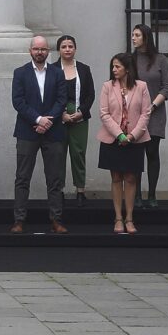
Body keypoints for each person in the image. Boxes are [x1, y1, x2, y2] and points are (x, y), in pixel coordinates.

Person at [10, 35, 68, 235]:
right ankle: (19, 220)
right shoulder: (20, 73)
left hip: (53, 132)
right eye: (36, 49)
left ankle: (56, 220)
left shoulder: (58, 73)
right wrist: (38, 119)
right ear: (30, 51)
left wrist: (47, 121)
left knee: (55, 179)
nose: (39, 52)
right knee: (22, 178)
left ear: (48, 51)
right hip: (27, 131)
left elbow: (62, 100)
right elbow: (18, 101)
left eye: (43, 49)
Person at [98, 52, 151, 235]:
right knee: (116, 178)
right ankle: (118, 217)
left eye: (117, 66)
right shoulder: (107, 86)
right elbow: (104, 113)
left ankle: (129, 217)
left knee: (130, 178)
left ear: (127, 69)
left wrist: (132, 135)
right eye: (112, 66)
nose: (114, 70)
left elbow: (145, 113)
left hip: (135, 139)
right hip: (113, 138)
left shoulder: (141, 86)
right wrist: (120, 135)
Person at [132, 23, 168, 209]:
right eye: (133, 35)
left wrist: (153, 105)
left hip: (155, 112)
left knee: (152, 152)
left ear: (146, 38)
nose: (133, 38)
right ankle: (136, 194)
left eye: (137, 35)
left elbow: (166, 87)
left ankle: (152, 194)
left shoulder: (160, 59)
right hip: (134, 113)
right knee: (136, 154)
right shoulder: (130, 59)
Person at [57, 35, 96, 207]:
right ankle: (58, 191)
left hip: (80, 117)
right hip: (58, 118)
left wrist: (82, 112)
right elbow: (49, 95)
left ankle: (80, 190)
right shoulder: (52, 69)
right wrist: (61, 114)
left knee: (78, 153)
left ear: (75, 49)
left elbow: (90, 94)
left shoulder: (84, 69)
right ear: (58, 49)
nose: (67, 49)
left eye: (70, 46)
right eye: (64, 46)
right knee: (58, 154)